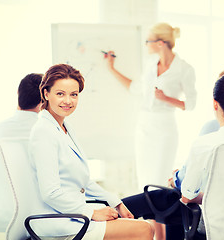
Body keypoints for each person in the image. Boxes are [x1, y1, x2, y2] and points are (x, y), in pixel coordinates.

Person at [122, 70, 224, 239]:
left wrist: (178, 179)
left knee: (168, 201)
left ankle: (111, 211)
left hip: (213, 223)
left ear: (215, 103)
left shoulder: (206, 140)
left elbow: (187, 195)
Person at [29, 63, 154, 240]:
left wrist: (116, 202)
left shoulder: (64, 127)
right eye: (60, 94)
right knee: (145, 229)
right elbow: (50, 193)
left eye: (73, 95)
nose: (68, 101)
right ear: (46, 94)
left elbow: (83, 181)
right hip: (59, 222)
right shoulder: (44, 132)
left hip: (74, 217)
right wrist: (92, 212)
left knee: (139, 226)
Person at [105, 22, 197, 239]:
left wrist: (167, 98)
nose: (146, 45)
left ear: (161, 43)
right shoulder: (150, 64)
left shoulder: (184, 69)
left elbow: (191, 103)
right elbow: (135, 88)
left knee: (159, 183)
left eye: (148, 41)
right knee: (144, 181)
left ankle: (163, 236)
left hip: (165, 127)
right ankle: (153, 235)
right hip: (145, 126)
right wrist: (111, 68)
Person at [0, 73, 43, 197]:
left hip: (0, 211)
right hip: (39, 211)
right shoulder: (48, 132)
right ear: (43, 102)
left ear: (18, 92)